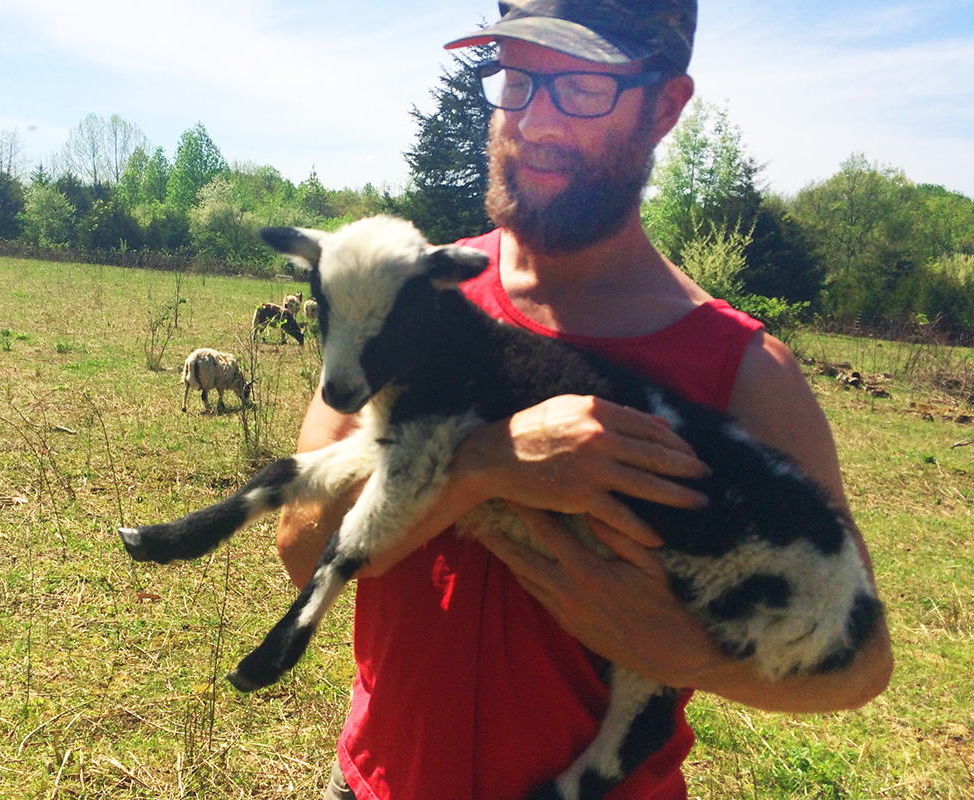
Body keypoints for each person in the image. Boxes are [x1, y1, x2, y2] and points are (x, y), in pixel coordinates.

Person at [275, 2, 894, 798]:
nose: (534, 122)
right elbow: (299, 547)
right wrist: (484, 465)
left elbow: (863, 665)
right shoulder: (409, 294)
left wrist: (686, 654)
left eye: (582, 89)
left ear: (666, 105)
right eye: (519, 78)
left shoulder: (742, 371)